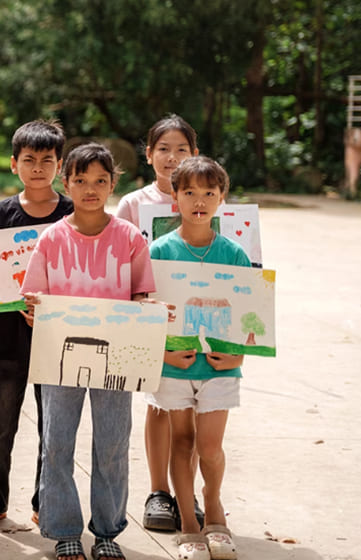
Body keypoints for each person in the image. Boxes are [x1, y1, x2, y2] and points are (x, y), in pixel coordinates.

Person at [21, 143, 160, 560]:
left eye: (100, 180)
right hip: (59, 356)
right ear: (67, 183)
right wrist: (33, 310)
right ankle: (64, 530)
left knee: (113, 444)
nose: (90, 189)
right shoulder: (51, 238)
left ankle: (107, 531)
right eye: (81, 180)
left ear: (113, 184)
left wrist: (149, 312)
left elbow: (142, 294)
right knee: (57, 442)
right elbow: (33, 299)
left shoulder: (129, 238)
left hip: (117, 358)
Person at [0, 120, 72, 531]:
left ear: (60, 164)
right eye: (29, 159)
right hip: (9, 334)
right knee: (0, 423)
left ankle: (46, 502)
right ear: (14, 164)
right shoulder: (1, 213)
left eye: (47, 160)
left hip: (57, 335)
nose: (38, 168)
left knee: (54, 425)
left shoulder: (71, 212)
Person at [148, 156, 249, 560]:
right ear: (175, 197)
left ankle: (214, 505)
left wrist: (239, 353)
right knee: (182, 441)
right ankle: (189, 523)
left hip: (219, 368)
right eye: (189, 192)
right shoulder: (159, 251)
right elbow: (147, 310)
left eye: (209, 192)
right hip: (174, 365)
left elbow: (249, 311)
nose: (199, 201)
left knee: (210, 447)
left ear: (222, 198)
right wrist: (162, 353)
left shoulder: (234, 253)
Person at [117, 114, 203, 533]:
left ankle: (187, 494)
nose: (172, 158)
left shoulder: (206, 197)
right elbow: (120, 259)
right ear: (149, 154)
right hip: (152, 315)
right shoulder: (134, 204)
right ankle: (158, 491)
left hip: (199, 316)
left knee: (194, 406)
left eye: (181, 149)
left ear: (195, 153)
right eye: (164, 149)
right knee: (158, 402)